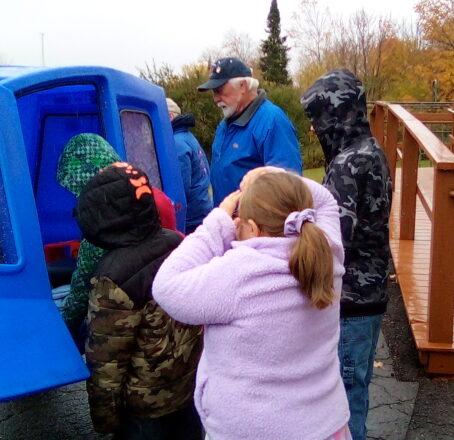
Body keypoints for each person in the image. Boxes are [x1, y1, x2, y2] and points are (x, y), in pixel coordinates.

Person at [152, 167, 351, 440]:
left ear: (254, 228)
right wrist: (276, 176)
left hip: (252, 431)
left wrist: (218, 223)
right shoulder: (328, 254)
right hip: (326, 426)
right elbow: (326, 200)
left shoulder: (239, 274)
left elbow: (166, 286)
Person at [74, 162, 203, 440]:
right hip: (188, 389)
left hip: (146, 409)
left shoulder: (112, 276)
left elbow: (106, 364)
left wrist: (106, 421)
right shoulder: (177, 242)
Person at [300, 69, 393, 440]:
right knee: (357, 391)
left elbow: (332, 241)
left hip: (351, 302)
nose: (313, 129)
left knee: (344, 401)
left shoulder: (347, 164)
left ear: (336, 114)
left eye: (317, 118)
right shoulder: (372, 151)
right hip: (370, 298)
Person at [56, 134, 178, 346]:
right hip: (169, 314)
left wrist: (61, 331)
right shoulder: (151, 194)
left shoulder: (103, 221)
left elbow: (81, 288)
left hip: (130, 316)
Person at [197, 57, 303, 204]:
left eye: (219, 90)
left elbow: (289, 184)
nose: (216, 98)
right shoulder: (224, 126)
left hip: (257, 224)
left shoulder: (272, 120)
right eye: (214, 92)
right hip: (229, 222)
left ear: (243, 86)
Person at [166, 97, 212, 233]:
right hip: (202, 207)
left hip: (191, 218)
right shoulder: (188, 137)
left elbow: (180, 186)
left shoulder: (176, 143)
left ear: (169, 116)